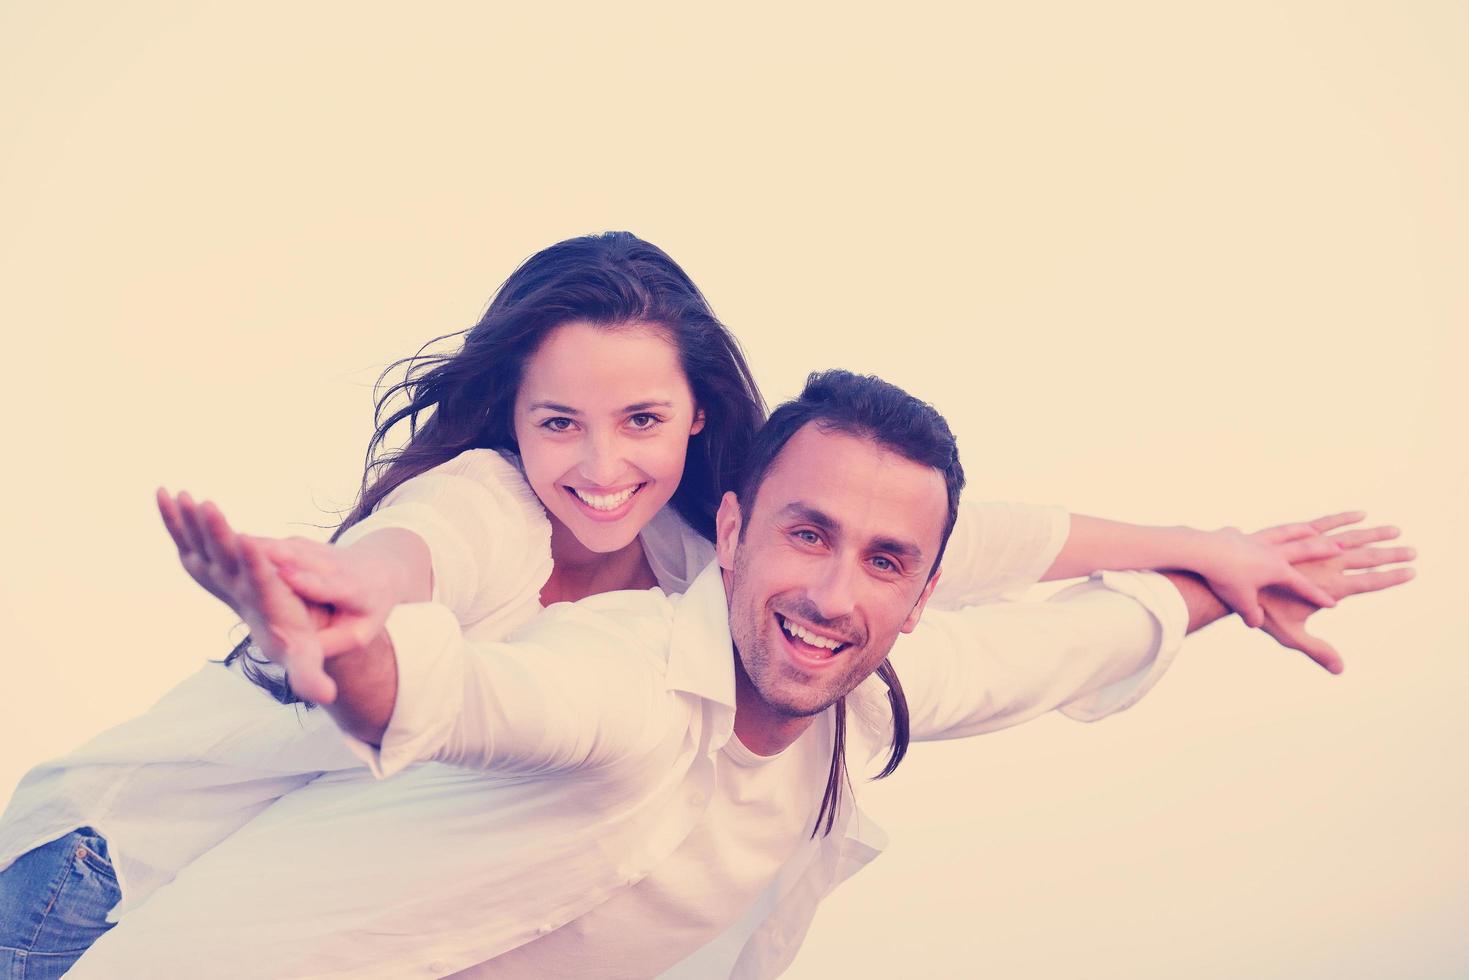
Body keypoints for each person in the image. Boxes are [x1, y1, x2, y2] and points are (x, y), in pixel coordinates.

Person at [0, 233, 1366, 977]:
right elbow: (417, 575)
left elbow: (974, 542)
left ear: (699, 418)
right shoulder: (494, 510)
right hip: (110, 863)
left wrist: (1208, 558)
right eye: (558, 424)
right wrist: (333, 606)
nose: (600, 466)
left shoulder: (707, 570)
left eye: (641, 420)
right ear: (512, 420)